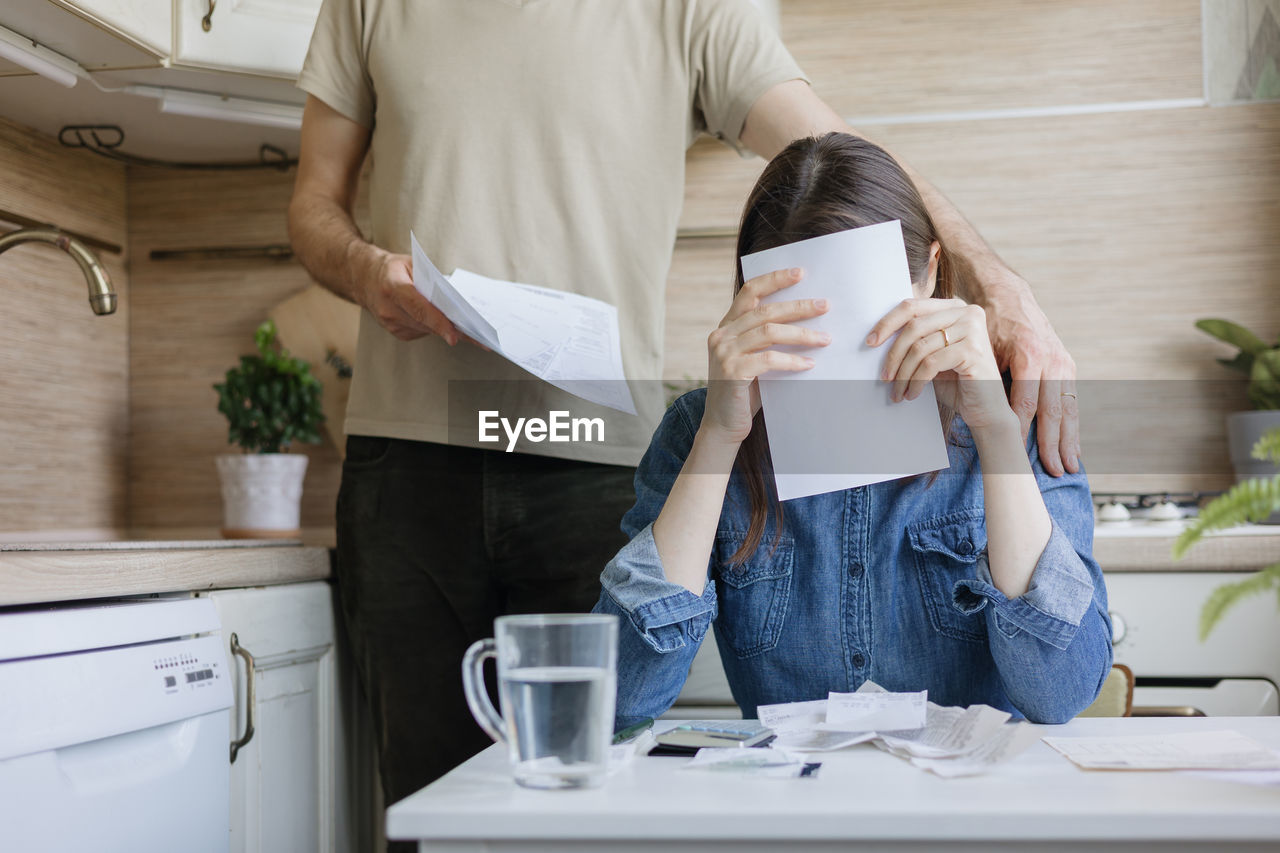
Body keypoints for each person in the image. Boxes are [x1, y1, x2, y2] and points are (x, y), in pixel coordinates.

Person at [287, 0, 1082, 808]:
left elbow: (844, 158)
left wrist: (996, 283)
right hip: (411, 449)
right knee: (431, 799)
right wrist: (363, 271)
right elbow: (312, 201)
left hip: (588, 446)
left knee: (578, 791)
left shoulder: (689, 9)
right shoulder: (367, 6)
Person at [595, 132, 1112, 726]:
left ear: (930, 276)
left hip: (975, 808)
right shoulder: (698, 431)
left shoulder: (1015, 410)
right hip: (794, 807)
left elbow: (1063, 694)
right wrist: (718, 437)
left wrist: (996, 432)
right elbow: (619, 703)